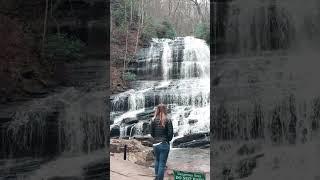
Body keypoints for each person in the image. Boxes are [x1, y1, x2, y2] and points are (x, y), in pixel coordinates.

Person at [150, 103, 173, 180]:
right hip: (164, 144)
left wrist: (156, 139)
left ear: (157, 110)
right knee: (162, 164)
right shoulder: (168, 120)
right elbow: (170, 134)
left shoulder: (153, 120)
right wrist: (167, 140)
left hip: (155, 144)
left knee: (157, 161)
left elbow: (152, 133)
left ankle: (156, 178)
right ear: (165, 110)